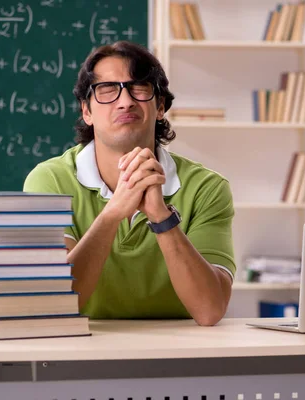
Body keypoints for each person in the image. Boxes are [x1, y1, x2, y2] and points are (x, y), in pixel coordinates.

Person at [23, 41, 235, 326]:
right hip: (80, 349)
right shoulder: (49, 181)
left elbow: (210, 311)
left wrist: (162, 218)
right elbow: (53, 304)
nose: (126, 101)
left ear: (160, 107)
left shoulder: (206, 188)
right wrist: (112, 214)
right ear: (86, 111)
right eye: (107, 90)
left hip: (182, 351)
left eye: (139, 88)